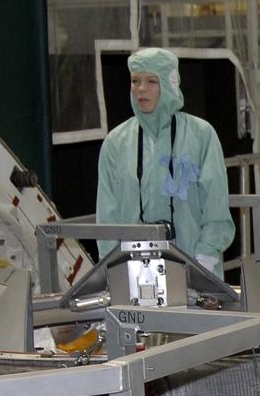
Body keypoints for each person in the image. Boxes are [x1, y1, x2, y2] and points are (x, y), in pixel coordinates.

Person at [97, 47, 235, 279]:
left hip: (194, 268)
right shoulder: (116, 142)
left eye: (152, 81)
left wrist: (204, 262)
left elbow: (215, 207)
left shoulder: (201, 135)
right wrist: (113, 269)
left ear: (170, 84)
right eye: (135, 81)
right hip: (134, 272)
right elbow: (107, 216)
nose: (141, 89)